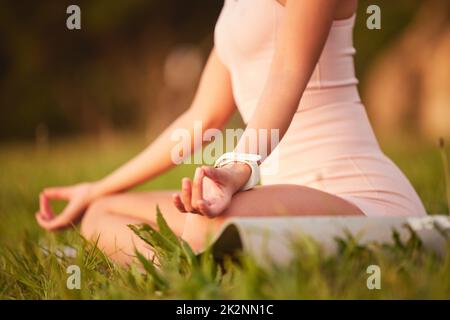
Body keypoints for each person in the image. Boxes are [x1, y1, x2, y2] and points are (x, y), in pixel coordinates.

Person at [36, 0, 427, 265]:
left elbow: (288, 73)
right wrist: (98, 187)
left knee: (209, 226)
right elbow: (202, 118)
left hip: (353, 192)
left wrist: (237, 168)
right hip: (281, 196)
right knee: (100, 214)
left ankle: (195, 259)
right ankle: (178, 271)